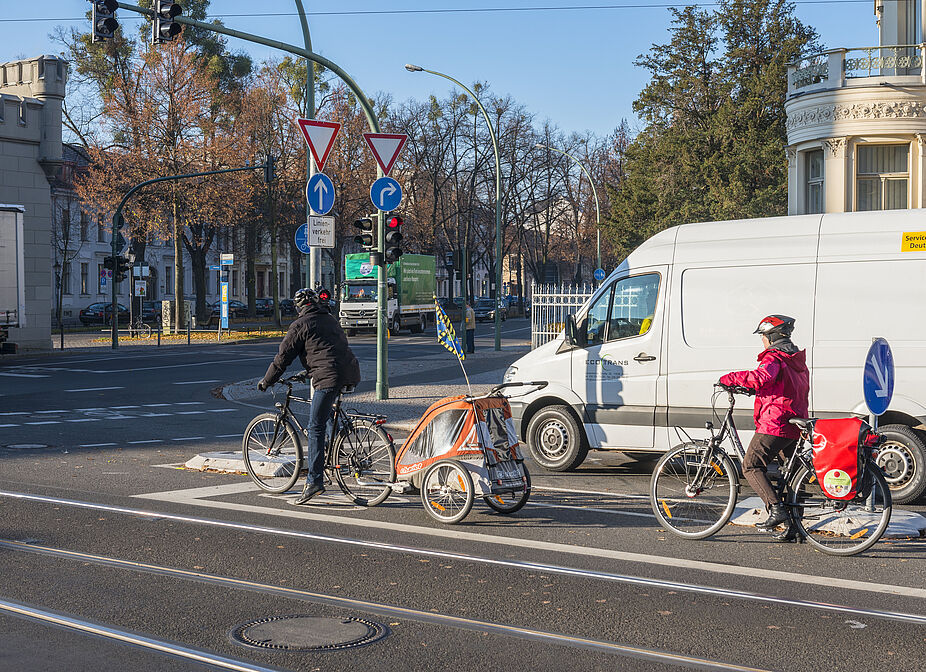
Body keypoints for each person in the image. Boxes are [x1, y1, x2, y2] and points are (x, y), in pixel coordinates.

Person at [258, 287, 361, 505]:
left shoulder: (300, 325)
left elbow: (282, 358)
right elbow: (327, 349)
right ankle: (334, 451)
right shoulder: (330, 319)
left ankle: (315, 481)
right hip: (349, 371)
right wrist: (308, 371)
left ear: (299, 307)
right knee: (327, 417)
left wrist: (267, 381)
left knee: (315, 428)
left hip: (328, 377)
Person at [718, 315, 809, 535]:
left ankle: (776, 508)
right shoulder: (795, 360)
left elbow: (762, 376)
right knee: (792, 475)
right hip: (794, 423)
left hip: (776, 422)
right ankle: (794, 526)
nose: (762, 341)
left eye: (763, 336)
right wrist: (756, 390)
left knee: (750, 465)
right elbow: (780, 385)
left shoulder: (774, 357)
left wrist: (730, 378)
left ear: (771, 336)